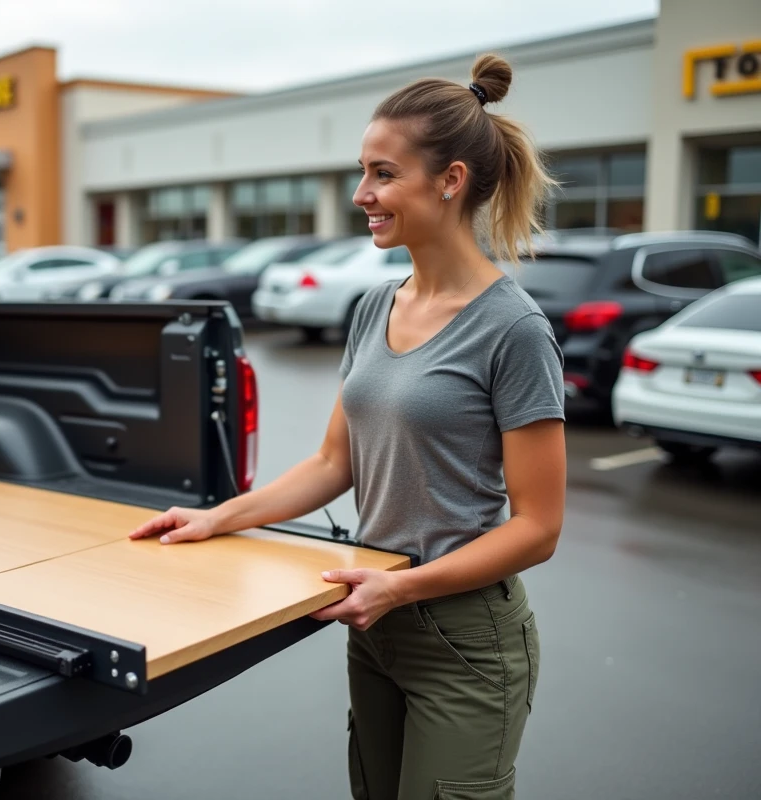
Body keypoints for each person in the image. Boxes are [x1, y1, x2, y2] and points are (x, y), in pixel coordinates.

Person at [129, 52, 566, 800]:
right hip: (378, 623)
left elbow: (538, 528)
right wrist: (216, 518)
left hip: (465, 637)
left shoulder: (512, 330)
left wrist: (401, 590)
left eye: (383, 173)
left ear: (450, 180)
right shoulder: (374, 309)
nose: (362, 194)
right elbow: (336, 462)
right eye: (363, 172)